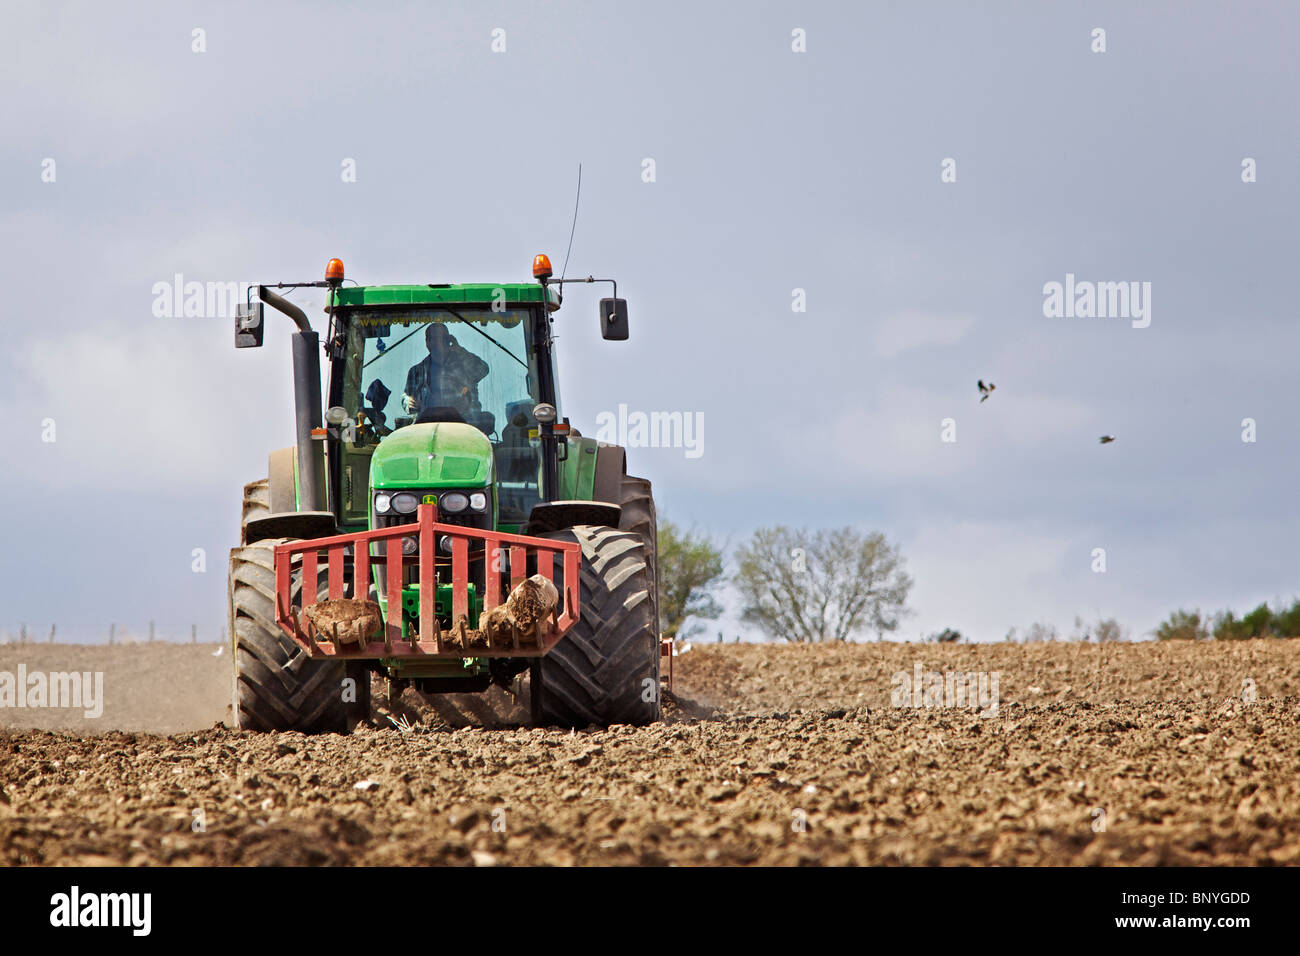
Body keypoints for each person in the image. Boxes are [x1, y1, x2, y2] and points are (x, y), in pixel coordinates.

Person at [402, 323, 489, 418]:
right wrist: (408, 402)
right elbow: (407, 396)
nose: (435, 342)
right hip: (428, 427)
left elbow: (483, 370)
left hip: (465, 427)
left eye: (440, 338)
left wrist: (459, 349)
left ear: (448, 340)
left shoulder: (464, 364)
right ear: (427, 343)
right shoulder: (417, 371)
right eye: (431, 338)